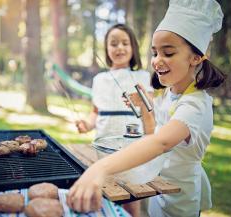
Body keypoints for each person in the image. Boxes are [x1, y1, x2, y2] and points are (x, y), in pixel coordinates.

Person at [67, 0, 226, 217]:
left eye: (168, 53)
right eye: (155, 53)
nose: (157, 61)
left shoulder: (195, 105)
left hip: (180, 200)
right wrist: (144, 110)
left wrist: (99, 168)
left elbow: (161, 143)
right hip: (157, 189)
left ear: (196, 58)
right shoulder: (169, 95)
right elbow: (153, 134)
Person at [75, 23, 153, 217]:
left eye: (125, 43)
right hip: (102, 151)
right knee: (104, 197)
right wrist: (87, 125)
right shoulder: (99, 80)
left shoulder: (142, 77)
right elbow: (95, 112)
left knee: (131, 201)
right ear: (107, 49)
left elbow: (150, 117)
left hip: (132, 151)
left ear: (133, 47)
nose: (119, 47)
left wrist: (144, 103)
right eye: (114, 43)